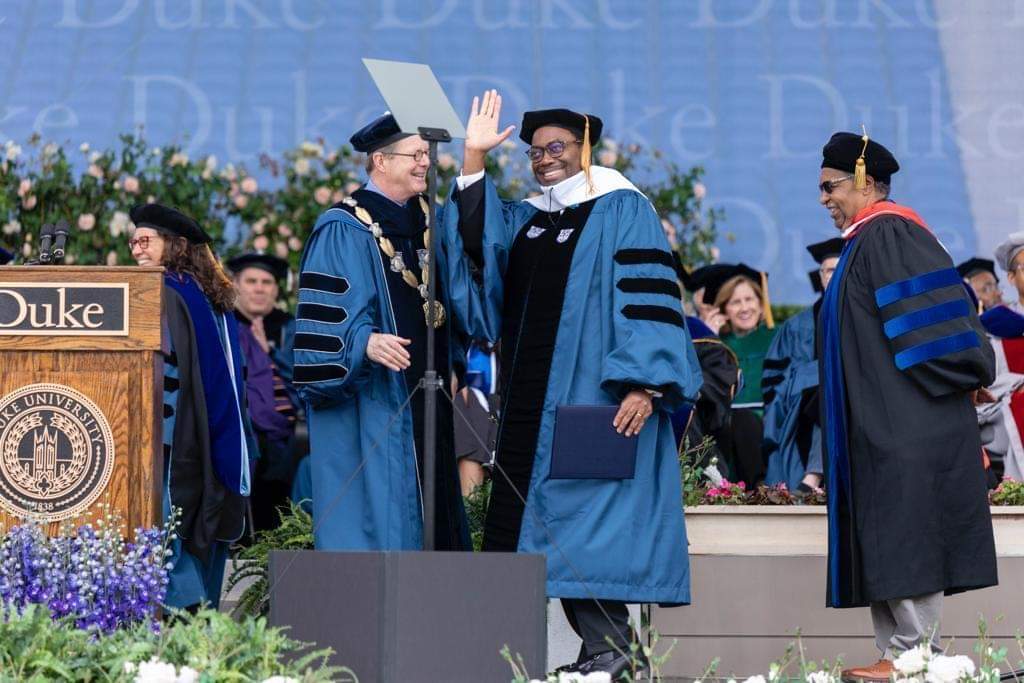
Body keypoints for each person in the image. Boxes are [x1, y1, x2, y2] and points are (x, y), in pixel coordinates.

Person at [443, 90, 702, 677]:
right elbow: (476, 250)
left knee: (587, 528)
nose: (543, 160)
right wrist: (474, 162)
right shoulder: (532, 219)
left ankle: (614, 650)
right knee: (545, 530)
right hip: (532, 408)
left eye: (556, 147)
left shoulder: (621, 207)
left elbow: (649, 299)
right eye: (535, 152)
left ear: (586, 148)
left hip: (597, 401)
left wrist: (643, 382)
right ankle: (604, 653)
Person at [816, 131, 996, 679]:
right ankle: (898, 652)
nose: (824, 198)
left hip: (906, 419)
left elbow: (937, 331)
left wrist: (965, 374)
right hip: (879, 419)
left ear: (865, 182)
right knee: (887, 530)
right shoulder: (863, 242)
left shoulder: (891, 233)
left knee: (906, 527)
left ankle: (915, 653)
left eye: (831, 186)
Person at [293, 113, 471, 551]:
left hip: (430, 399)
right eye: (415, 154)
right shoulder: (343, 227)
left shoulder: (433, 221)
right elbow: (323, 324)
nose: (425, 163)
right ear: (380, 160)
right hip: (376, 402)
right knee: (384, 520)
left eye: (427, 155)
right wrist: (363, 342)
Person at [128, 203, 258, 610]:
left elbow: (163, 377)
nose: (135, 250)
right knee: (203, 525)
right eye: (132, 241)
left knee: (165, 525)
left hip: (173, 440)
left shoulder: (164, 295)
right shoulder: (211, 297)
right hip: (218, 437)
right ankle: (206, 627)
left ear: (175, 246)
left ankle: (188, 615)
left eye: (145, 241)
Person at [226, 253, 299, 533]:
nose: (259, 288)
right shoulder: (226, 324)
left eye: (267, 282)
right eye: (252, 281)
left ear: (276, 290)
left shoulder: (288, 327)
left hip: (288, 430)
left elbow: (300, 378)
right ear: (237, 286)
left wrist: (270, 353)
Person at [763, 238, 841, 492]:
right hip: (804, 408)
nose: (835, 276)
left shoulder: (868, 320)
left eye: (842, 269)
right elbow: (779, 382)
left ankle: (814, 477)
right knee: (826, 393)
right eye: (830, 270)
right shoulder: (797, 327)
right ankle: (812, 476)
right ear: (820, 276)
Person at [699, 264, 775, 486]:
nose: (744, 308)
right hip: (724, 425)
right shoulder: (715, 345)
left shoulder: (779, 338)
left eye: (749, 300)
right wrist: (708, 338)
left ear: (761, 306)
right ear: (724, 311)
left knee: (744, 422)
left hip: (769, 421)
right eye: (735, 302)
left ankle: (760, 488)